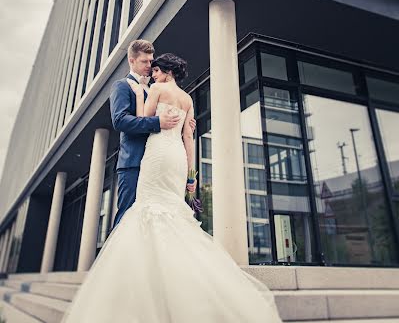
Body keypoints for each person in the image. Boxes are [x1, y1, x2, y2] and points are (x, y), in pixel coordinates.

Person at [62, 53, 282, 323]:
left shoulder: (155, 88)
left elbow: (143, 120)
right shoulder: (188, 99)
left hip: (157, 154)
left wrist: (140, 94)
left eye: (156, 71)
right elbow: (189, 137)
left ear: (166, 72)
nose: (153, 75)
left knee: (146, 208)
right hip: (177, 158)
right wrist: (191, 175)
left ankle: (145, 282)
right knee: (173, 212)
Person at [110, 39, 196, 227]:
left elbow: (184, 131)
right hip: (134, 163)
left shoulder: (156, 87)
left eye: (151, 61)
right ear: (132, 61)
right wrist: (158, 122)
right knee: (127, 220)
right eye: (145, 62)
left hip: (160, 162)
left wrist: (183, 124)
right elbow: (120, 120)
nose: (150, 66)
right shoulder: (122, 86)